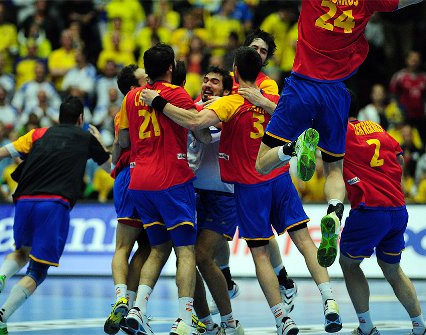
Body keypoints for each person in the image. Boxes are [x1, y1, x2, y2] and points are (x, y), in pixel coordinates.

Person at [142, 46, 343, 335]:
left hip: (248, 187)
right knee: (304, 242)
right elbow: (306, 121)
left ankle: (282, 320)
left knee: (260, 255)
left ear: (235, 72)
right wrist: (266, 103)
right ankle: (330, 301)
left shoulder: (230, 103)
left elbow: (197, 123)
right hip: (280, 180)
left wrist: (160, 102)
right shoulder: (275, 98)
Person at [254, 0, 424, 269]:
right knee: (335, 169)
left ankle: (295, 147)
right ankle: (334, 211)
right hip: (336, 93)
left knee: (262, 163)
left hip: (302, 86)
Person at [0, 96, 111, 335]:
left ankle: (0, 276)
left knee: (21, 251)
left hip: (24, 200)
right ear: (81, 119)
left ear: (58, 118)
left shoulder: (38, 133)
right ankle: (0, 318)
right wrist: (102, 144)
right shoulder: (86, 137)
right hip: (54, 203)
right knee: (37, 271)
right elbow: (112, 169)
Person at [118, 43, 210, 335]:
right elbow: (200, 130)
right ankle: (185, 318)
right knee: (185, 252)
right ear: (171, 67)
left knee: (157, 249)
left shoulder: (131, 98)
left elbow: (123, 139)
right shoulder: (177, 94)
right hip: (171, 179)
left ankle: (138, 309)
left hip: (139, 181)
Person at [211, 28, 298, 315]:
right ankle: (226, 278)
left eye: (264, 51)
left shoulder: (268, 85)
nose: (259, 54)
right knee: (223, 229)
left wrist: (246, 102)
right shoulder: (233, 81)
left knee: (257, 231)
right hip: (227, 160)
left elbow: (277, 113)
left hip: (258, 167)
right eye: (255, 49)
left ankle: (282, 278)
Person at [339, 90, 426, 335]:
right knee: (392, 269)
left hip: (369, 209)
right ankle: (419, 326)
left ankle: (366, 327)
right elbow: (399, 159)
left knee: (348, 263)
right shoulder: (377, 128)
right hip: (397, 209)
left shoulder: (339, 132)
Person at [186, 65, 243, 335]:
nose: (208, 84)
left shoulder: (231, 109)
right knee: (185, 259)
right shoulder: (192, 108)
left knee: (201, 254)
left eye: (215, 82)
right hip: (192, 192)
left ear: (226, 89)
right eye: (206, 80)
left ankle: (230, 322)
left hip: (224, 195)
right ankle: (208, 323)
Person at [103, 64, 150, 335]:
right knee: (144, 247)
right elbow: (123, 138)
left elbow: (117, 144)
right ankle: (130, 302)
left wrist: (113, 160)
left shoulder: (126, 106)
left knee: (131, 246)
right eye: (144, 76)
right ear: (133, 87)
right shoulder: (134, 101)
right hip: (143, 175)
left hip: (127, 175)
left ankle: (124, 301)